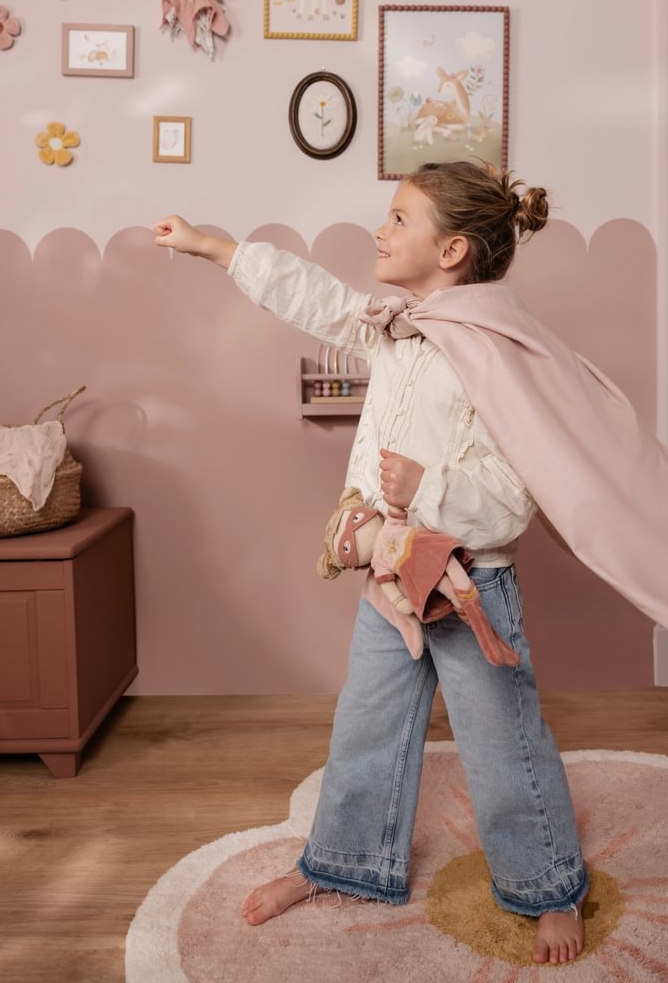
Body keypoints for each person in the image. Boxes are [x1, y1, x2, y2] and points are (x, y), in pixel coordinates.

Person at [154, 160, 589, 966]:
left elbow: (514, 495)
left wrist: (430, 488)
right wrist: (217, 248)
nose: (379, 231)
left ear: (452, 250)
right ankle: (344, 861)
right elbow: (314, 296)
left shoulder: (495, 354)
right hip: (391, 575)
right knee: (366, 724)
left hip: (469, 583)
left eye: (398, 219)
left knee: (502, 742)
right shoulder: (393, 325)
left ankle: (547, 886)